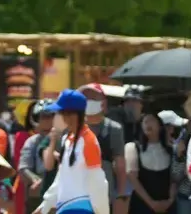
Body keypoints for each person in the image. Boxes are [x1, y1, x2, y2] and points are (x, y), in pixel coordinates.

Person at [38, 89, 108, 214]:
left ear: (72, 115)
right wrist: (44, 207)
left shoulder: (89, 142)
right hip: (65, 208)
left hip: (81, 209)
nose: (59, 117)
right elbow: (61, 179)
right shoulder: (67, 139)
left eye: (61, 113)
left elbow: (97, 181)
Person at [77, 85, 126, 214]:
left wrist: (121, 195)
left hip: (103, 196)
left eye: (93, 98)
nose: (89, 101)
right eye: (85, 98)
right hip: (76, 196)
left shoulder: (113, 129)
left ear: (103, 103)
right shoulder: (72, 128)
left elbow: (120, 164)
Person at [124, 114, 173, 214]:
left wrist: (170, 201)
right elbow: (132, 177)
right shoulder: (132, 147)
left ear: (160, 126)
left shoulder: (170, 150)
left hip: (167, 206)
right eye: (144, 121)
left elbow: (174, 179)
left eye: (151, 120)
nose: (147, 123)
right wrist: (151, 203)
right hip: (141, 206)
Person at [17, 101, 57, 214]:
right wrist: (35, 179)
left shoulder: (64, 140)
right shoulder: (32, 142)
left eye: (51, 116)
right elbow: (23, 168)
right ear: (36, 120)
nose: (47, 121)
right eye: (43, 117)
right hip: (38, 195)